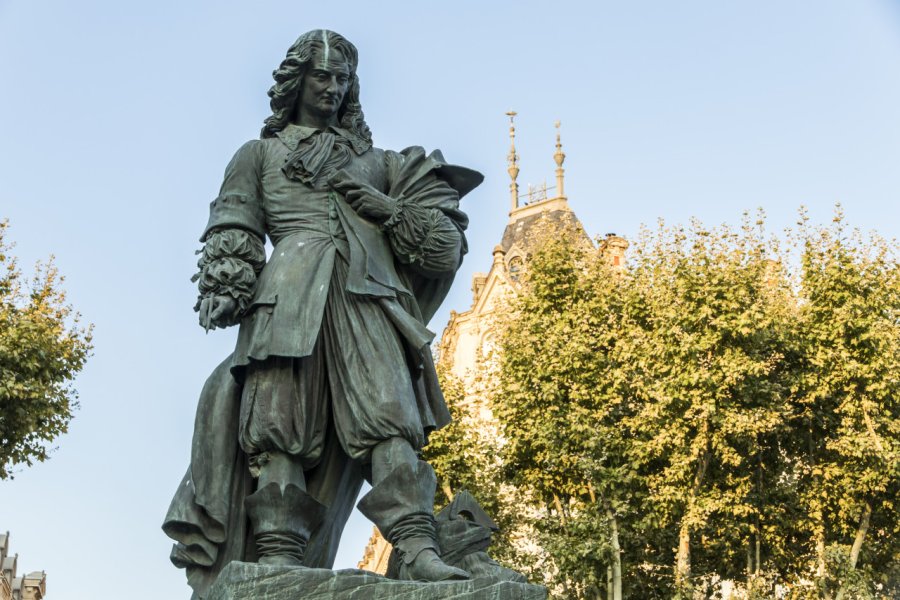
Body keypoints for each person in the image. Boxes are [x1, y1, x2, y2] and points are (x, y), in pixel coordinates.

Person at [162, 29, 483, 596]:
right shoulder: (259, 154)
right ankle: (278, 554)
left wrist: (384, 208)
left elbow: (441, 246)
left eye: (342, 79)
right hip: (287, 296)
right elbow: (234, 229)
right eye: (321, 76)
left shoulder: (380, 163)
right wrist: (225, 285)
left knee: (390, 419)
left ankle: (417, 548)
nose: (332, 87)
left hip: (366, 296)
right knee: (280, 428)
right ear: (297, 81)